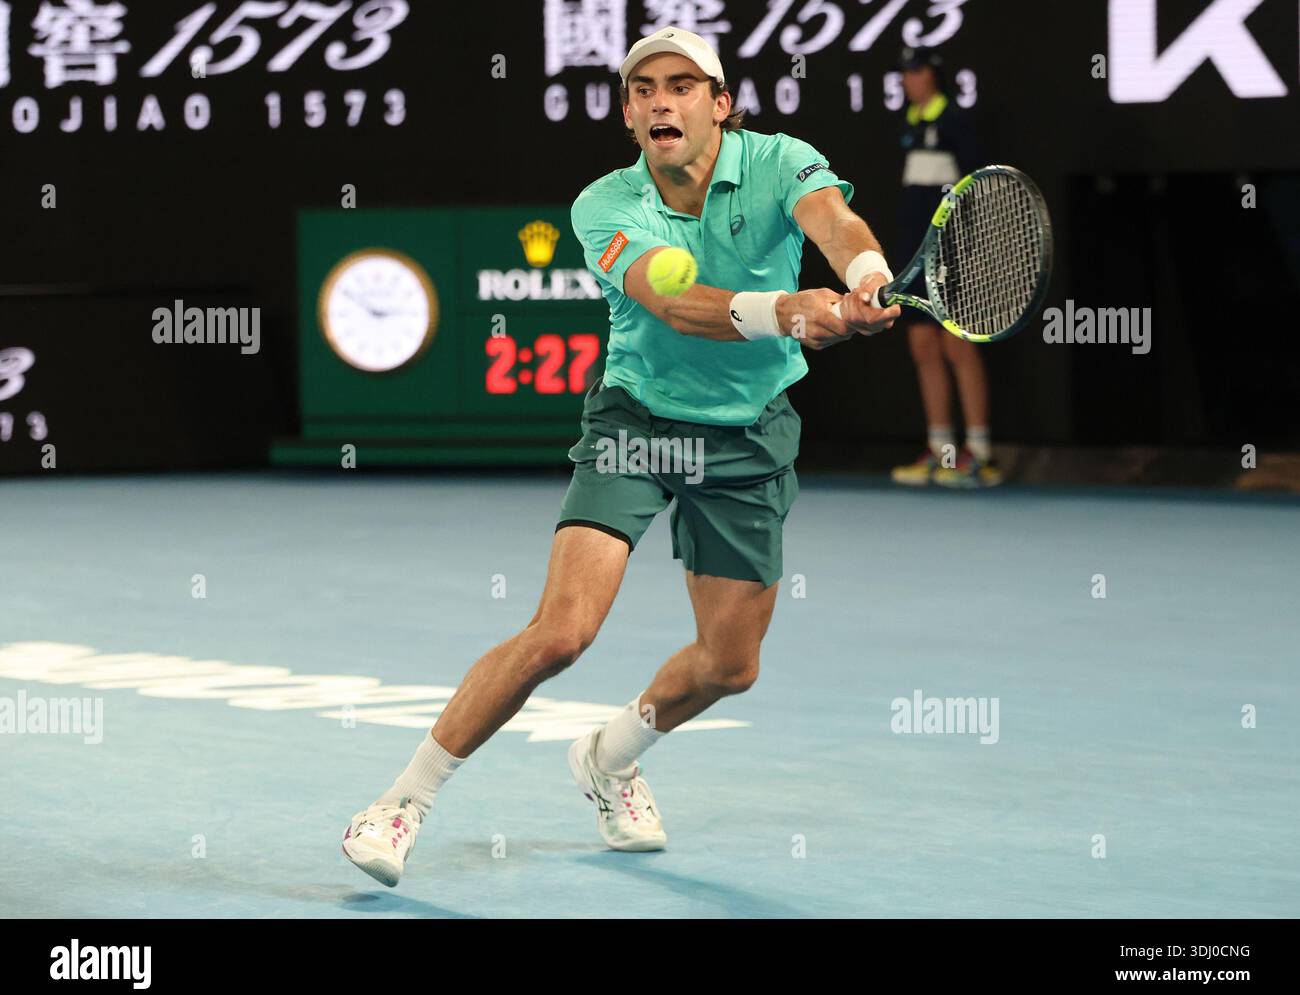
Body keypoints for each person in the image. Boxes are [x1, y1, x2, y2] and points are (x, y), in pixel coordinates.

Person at [340, 26, 900, 886]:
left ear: (720, 104)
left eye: (681, 85)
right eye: (643, 90)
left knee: (730, 666)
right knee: (561, 633)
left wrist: (862, 270)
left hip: (748, 434)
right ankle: (400, 803)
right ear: (630, 113)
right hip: (637, 423)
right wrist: (789, 310)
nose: (660, 101)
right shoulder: (606, 203)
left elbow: (834, 218)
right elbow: (676, 299)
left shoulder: (784, 160)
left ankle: (608, 756)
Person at [889, 46, 1001, 488]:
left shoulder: (954, 120)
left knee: (958, 346)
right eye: (904, 73)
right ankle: (942, 451)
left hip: (952, 249)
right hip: (913, 250)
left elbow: (973, 187)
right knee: (923, 346)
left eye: (915, 72)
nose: (908, 80)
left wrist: (965, 241)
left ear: (932, 77)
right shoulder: (908, 124)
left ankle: (979, 452)